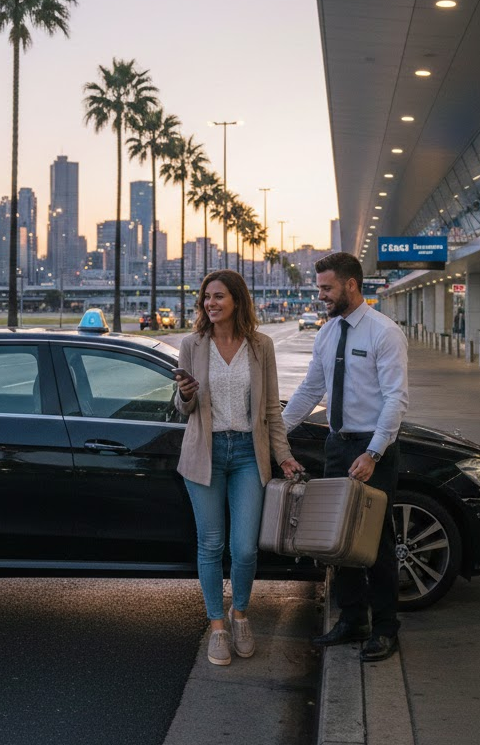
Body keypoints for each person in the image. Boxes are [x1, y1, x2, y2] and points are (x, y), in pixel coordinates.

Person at [281, 252, 408, 662]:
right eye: (320, 287)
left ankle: (387, 627)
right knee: (339, 541)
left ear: (351, 285)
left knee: (375, 540)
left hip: (373, 448)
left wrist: (374, 451)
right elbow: (309, 390)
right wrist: (274, 433)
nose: (321, 295)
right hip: (337, 444)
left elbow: (395, 399)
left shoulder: (383, 333)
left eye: (326, 288)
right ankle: (354, 619)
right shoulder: (327, 332)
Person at [175, 269, 305, 666]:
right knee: (211, 545)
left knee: (245, 549)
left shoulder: (260, 346)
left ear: (237, 301)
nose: (211, 303)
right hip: (205, 454)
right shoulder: (192, 344)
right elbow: (182, 409)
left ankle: (241, 615)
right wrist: (185, 395)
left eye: (219, 297)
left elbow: (270, 410)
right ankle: (217, 626)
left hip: (249, 453)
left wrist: (282, 455)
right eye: (206, 298)